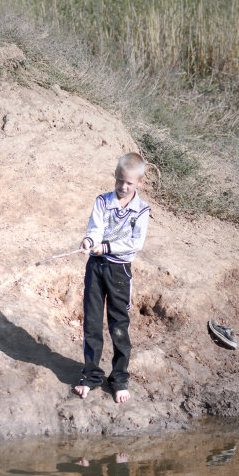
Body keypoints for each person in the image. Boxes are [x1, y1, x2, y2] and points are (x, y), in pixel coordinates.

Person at [75, 152, 150, 403]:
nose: (123, 186)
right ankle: (91, 376)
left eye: (129, 183)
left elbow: (134, 243)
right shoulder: (102, 201)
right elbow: (95, 229)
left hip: (120, 271)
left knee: (119, 326)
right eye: (119, 180)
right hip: (95, 267)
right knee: (92, 323)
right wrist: (89, 241)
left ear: (139, 182)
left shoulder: (142, 210)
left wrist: (106, 247)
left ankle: (119, 379)